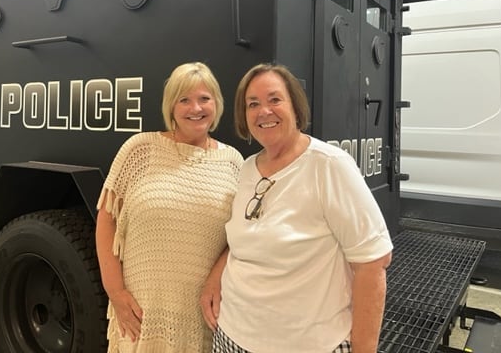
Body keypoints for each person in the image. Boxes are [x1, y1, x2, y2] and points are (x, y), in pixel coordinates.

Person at [200, 63, 393, 353]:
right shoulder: (248, 168)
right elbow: (246, 237)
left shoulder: (328, 165)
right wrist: (216, 276)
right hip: (232, 337)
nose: (264, 111)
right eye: (253, 104)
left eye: (275, 99)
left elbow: (373, 262)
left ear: (295, 105)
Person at [96, 62, 244, 353]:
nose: (195, 108)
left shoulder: (234, 163)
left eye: (204, 98)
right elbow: (107, 221)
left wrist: (217, 274)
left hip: (202, 320)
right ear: (171, 107)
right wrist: (115, 292)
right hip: (140, 317)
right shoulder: (139, 149)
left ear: (217, 104)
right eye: (184, 99)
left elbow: (243, 235)